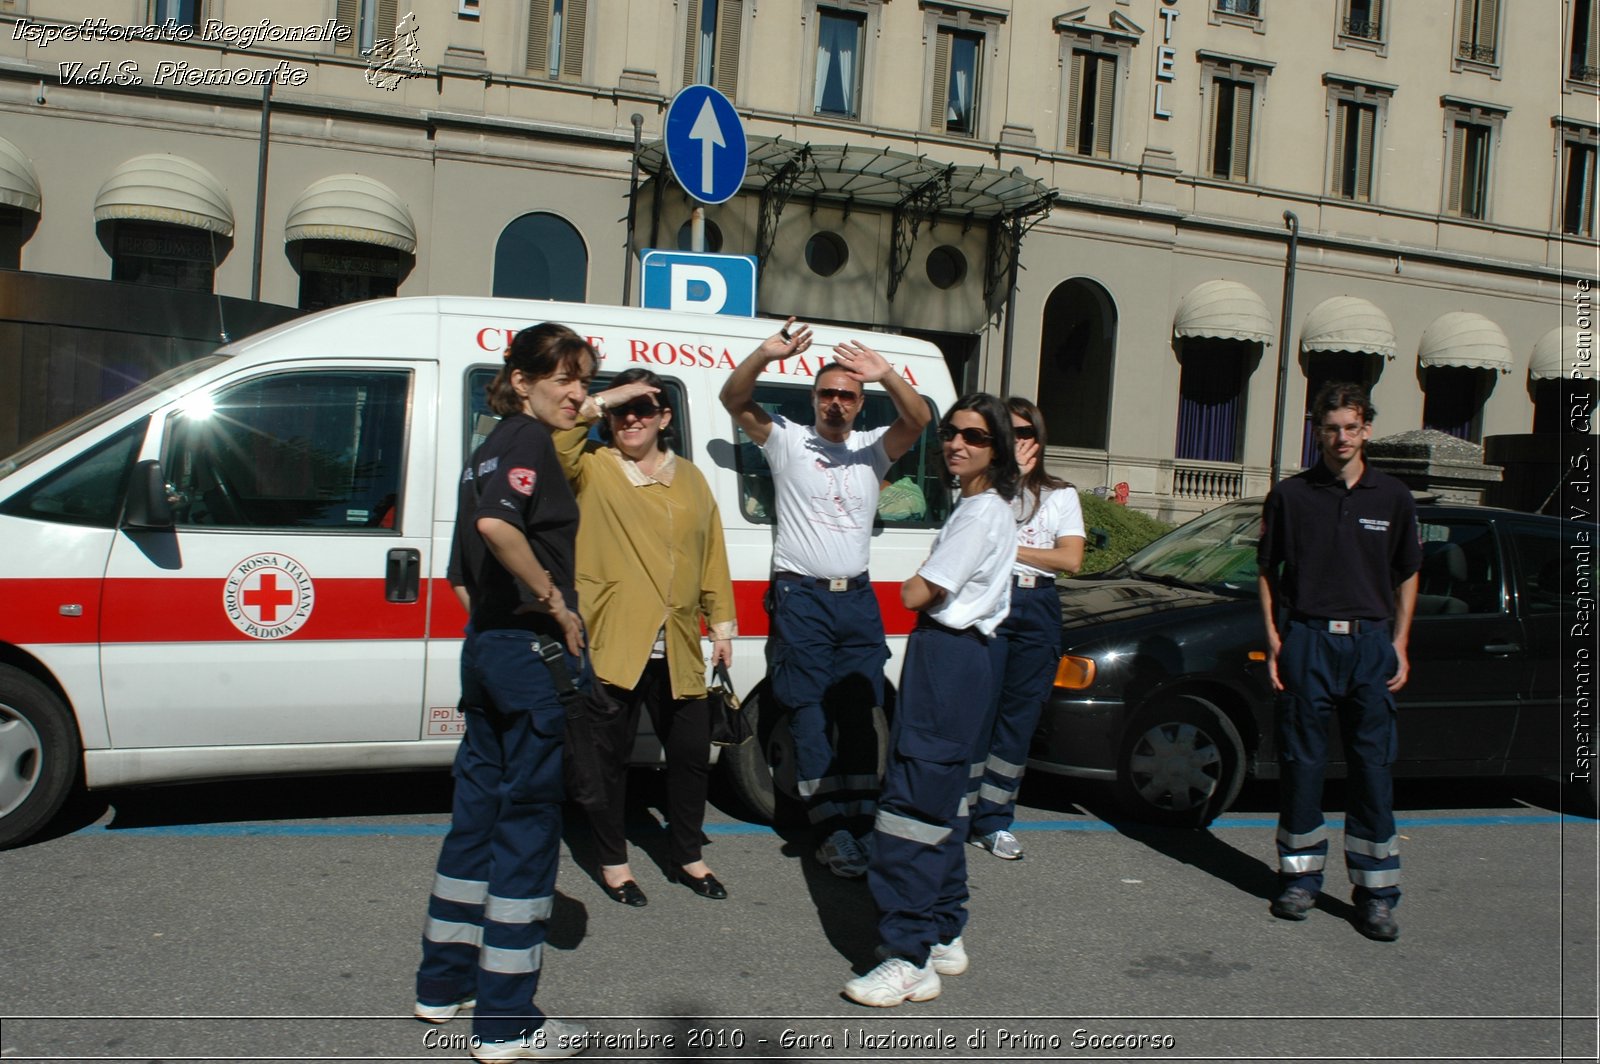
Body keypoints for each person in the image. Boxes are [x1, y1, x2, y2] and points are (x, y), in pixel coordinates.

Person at [415, 323, 594, 1061]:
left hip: (486, 648)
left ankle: (442, 985)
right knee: (527, 828)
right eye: (562, 378)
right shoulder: (525, 441)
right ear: (520, 379)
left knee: (475, 818)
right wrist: (553, 602)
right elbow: (495, 527)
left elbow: (461, 571)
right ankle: (507, 1024)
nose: (577, 393)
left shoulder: (485, 446)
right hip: (527, 653)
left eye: (582, 380)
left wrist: (492, 630)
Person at [720, 318, 933, 878]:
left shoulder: (873, 449)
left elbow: (920, 418)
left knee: (862, 709)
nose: (837, 402)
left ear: (861, 403)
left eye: (847, 395)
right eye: (828, 394)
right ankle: (830, 827)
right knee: (807, 711)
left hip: (856, 600)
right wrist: (765, 355)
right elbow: (734, 398)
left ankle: (864, 820)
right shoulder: (787, 440)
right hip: (802, 599)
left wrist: (885, 372)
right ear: (814, 398)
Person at [844, 393, 1019, 1007]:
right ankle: (944, 929)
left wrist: (918, 579)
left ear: (996, 448)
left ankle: (908, 955)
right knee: (942, 797)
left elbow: (921, 591)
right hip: (962, 656)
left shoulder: (980, 514)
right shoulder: (980, 507)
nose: (956, 444)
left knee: (913, 804)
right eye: (949, 433)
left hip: (950, 655)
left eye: (973, 436)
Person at [553, 367, 737, 906]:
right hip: (611, 640)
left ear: (664, 418)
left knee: (688, 757)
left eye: (644, 408)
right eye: (621, 411)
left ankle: (688, 855)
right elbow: (555, 440)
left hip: (677, 643)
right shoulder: (589, 465)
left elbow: (712, 554)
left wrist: (721, 625)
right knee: (606, 763)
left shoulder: (693, 477)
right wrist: (604, 398)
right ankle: (614, 863)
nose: (631, 418)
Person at [1257, 381, 1420, 942]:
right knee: (1302, 765)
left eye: (1352, 427)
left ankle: (1376, 894)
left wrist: (1400, 642)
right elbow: (1266, 570)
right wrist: (1277, 639)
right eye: (1331, 428)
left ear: (1366, 429)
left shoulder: (1392, 497)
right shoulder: (1292, 496)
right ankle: (1299, 880)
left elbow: (1407, 572)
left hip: (1371, 644)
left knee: (1372, 770)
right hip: (1309, 640)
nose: (1341, 437)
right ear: (1317, 430)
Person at [968, 397, 1084, 860]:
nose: (1018, 441)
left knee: (1019, 717)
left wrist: (1010, 549)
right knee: (979, 710)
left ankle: (994, 820)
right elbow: (974, 538)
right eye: (1009, 432)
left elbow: (1069, 559)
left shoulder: (1062, 494)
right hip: (993, 598)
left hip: (1037, 604)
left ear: (1039, 438)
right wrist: (1006, 479)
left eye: (1026, 433)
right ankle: (960, 812)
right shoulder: (984, 489)